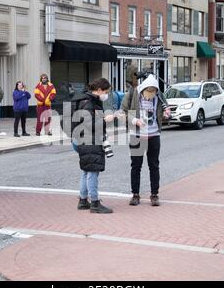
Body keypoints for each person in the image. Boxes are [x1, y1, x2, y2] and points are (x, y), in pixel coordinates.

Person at [121, 74, 170, 207]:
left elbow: (166, 107)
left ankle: (154, 194)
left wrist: (166, 113)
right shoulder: (132, 94)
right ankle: (135, 194)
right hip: (137, 135)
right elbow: (122, 112)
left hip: (154, 135)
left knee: (154, 165)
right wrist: (134, 120)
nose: (150, 96)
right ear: (142, 90)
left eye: (153, 93)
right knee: (136, 166)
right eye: (148, 93)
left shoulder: (159, 95)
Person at [72, 78, 115, 214]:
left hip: (82, 139)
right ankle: (95, 203)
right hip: (89, 139)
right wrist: (105, 120)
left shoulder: (84, 99)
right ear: (99, 90)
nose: (106, 95)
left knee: (86, 170)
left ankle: (83, 200)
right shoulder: (89, 102)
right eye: (106, 92)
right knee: (92, 171)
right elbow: (89, 124)